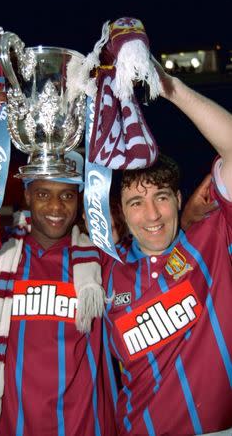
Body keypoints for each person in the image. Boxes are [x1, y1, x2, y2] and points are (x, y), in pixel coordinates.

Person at [0, 88, 117, 436]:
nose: (55, 207)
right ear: (27, 196)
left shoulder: (101, 260)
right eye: (44, 194)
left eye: (67, 195)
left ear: (79, 201)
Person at [76, 59, 232, 435]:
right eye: (135, 203)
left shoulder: (213, 238)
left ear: (178, 198)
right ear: (121, 214)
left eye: (161, 197)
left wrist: (169, 87)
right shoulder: (107, 270)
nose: (152, 215)